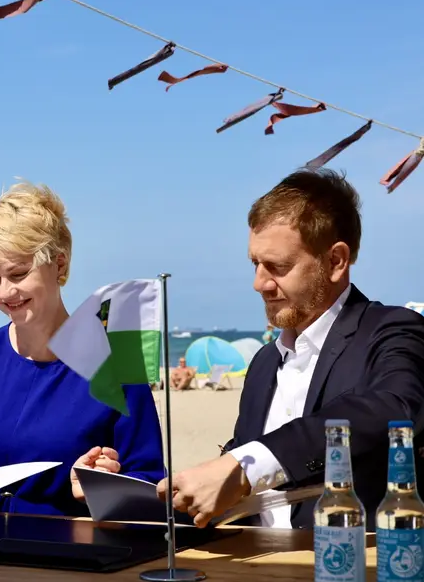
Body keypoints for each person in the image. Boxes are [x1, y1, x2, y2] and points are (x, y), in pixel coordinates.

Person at [156, 168, 424, 530]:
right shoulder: (264, 362)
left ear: (336, 261)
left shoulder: (393, 331)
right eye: (255, 263)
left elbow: (395, 407)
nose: (259, 283)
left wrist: (248, 467)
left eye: (277, 267)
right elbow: (236, 474)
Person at [0, 182, 166, 517]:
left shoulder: (116, 364)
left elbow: (148, 479)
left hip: (67, 544)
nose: (6, 292)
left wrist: (100, 485)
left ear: (59, 265)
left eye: (18, 274)